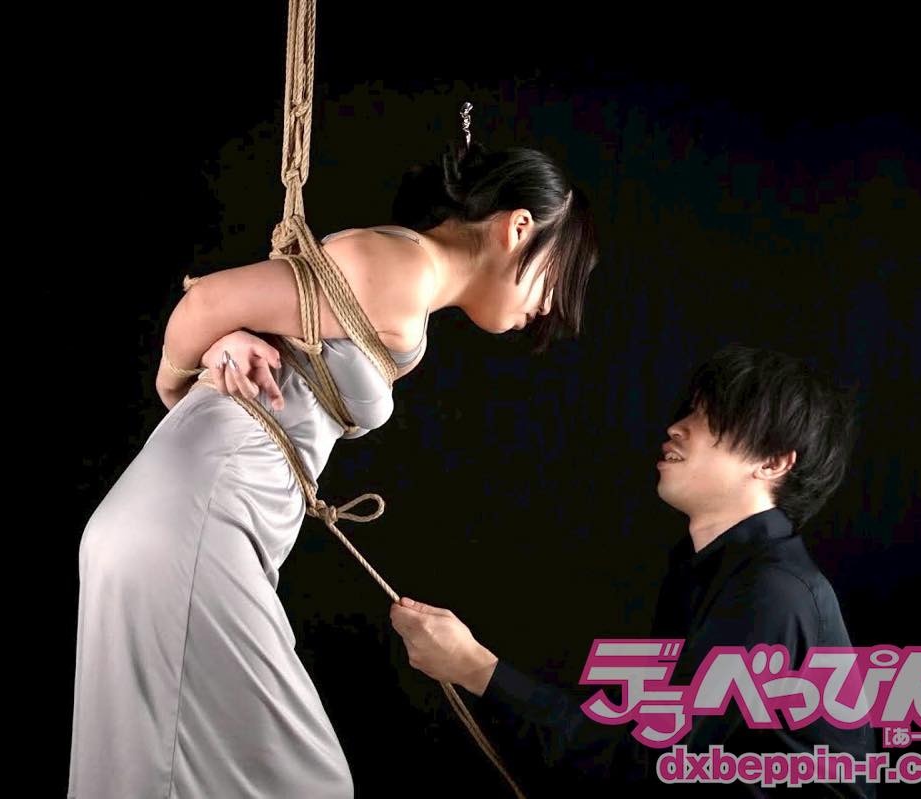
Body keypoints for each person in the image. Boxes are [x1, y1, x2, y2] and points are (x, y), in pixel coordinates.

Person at [66, 131, 599, 798]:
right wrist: (185, 376)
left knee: (157, 769)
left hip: (184, 520)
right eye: (558, 276)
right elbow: (203, 305)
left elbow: (249, 320)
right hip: (196, 524)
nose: (548, 305)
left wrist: (223, 346)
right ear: (518, 229)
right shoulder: (403, 271)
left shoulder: (408, 280)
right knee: (303, 783)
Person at [390, 344, 876, 797]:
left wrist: (477, 669)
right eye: (690, 410)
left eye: (711, 416)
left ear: (772, 462)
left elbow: (651, 767)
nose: (678, 428)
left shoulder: (772, 590)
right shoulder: (706, 570)